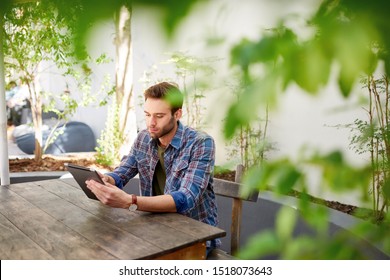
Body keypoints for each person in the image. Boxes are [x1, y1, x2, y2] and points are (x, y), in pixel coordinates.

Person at [86, 81, 220, 256]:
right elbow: (123, 171)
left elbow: (186, 198)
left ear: (177, 114)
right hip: (153, 229)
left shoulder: (201, 143)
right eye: (147, 115)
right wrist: (107, 180)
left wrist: (130, 201)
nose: (151, 123)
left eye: (159, 116)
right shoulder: (143, 137)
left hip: (194, 237)